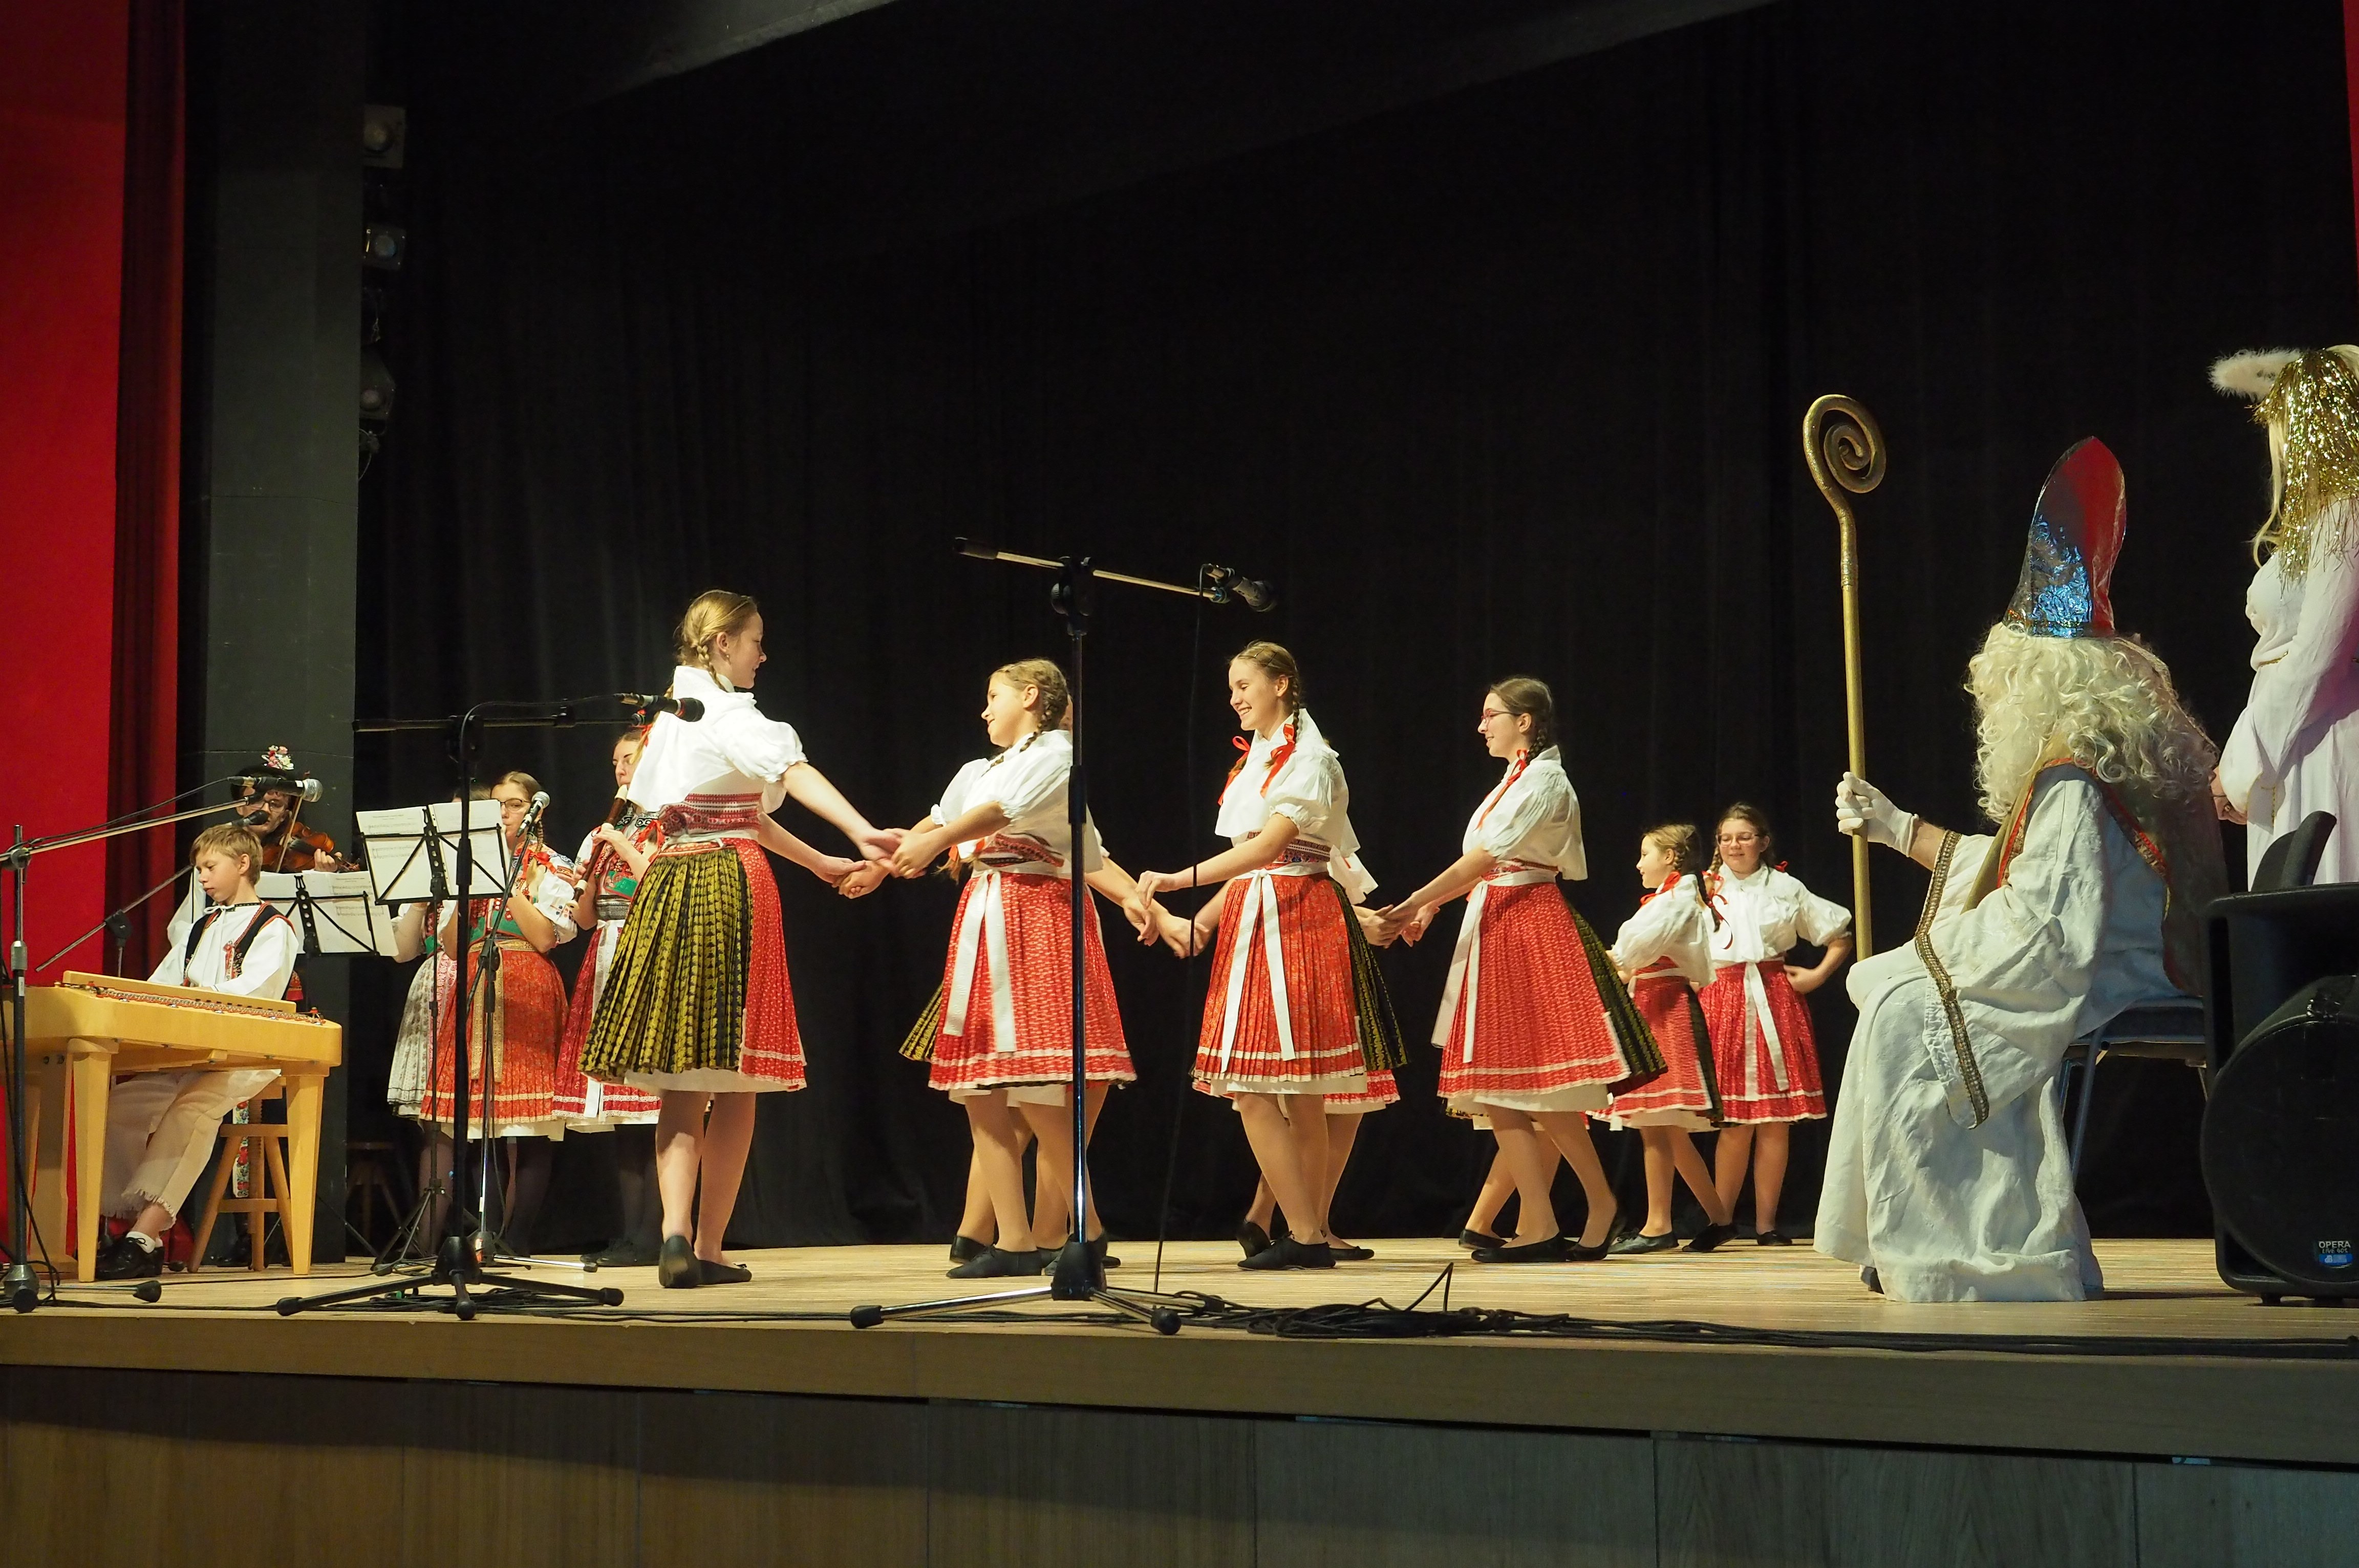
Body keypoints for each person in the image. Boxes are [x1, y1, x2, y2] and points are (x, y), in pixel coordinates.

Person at [1818, 437, 2226, 1302]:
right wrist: (1897, 828)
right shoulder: (2117, 748)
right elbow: (2027, 871)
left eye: (1999, 687)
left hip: (2119, 966)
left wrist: (1942, 956)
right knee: (1895, 988)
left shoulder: (2074, 767)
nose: (1992, 706)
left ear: (2036, 681)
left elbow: (2049, 920)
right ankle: (1903, 1231)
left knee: (1903, 1007)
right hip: (2145, 952)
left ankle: (1960, 1245)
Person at [580, 590, 890, 1288]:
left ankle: (674, 1235)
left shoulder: (669, 717)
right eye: (754, 640)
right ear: (722, 642)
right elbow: (790, 773)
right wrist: (860, 830)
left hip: (670, 880)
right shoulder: (722, 711)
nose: (762, 654)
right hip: (728, 882)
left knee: (682, 1077)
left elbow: (735, 809)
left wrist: (820, 861)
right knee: (738, 1077)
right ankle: (711, 1245)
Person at [859, 659, 1143, 1279]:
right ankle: (1019, 1237)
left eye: (995, 696)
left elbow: (1005, 819)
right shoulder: (981, 769)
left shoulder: (1057, 756)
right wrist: (881, 864)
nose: (985, 710)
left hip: (1033, 917)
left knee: (1035, 1087)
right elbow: (939, 821)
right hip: (988, 917)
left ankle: (1066, 1228)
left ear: (1032, 697)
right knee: (980, 1086)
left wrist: (1138, 901)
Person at [1131, 642, 1406, 1271]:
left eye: (1244, 685)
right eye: (1230, 687)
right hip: (1262, 914)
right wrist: (1203, 921)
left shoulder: (1311, 758)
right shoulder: (1263, 755)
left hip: (1294, 917)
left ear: (1281, 684)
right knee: (1294, 1094)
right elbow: (1254, 859)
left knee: (1265, 1089)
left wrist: (1176, 879)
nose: (1234, 698)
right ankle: (1305, 1230)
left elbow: (1271, 850)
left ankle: (1305, 1231)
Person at [1378, 678, 1655, 1262]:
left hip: (1528, 920)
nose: (1482, 727)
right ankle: (1547, 1220)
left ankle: (1593, 1206)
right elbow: (1482, 865)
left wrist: (1413, 901)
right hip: (1499, 918)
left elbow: (1485, 857)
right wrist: (1431, 907)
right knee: (1498, 1089)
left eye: (1492, 716)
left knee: (1540, 1087)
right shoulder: (1514, 780)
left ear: (1525, 721)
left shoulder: (1546, 781)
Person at [94, 824, 297, 1279]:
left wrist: (195, 1001)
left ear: (243, 864)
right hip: (189, 1052)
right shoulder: (199, 927)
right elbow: (160, 986)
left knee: (191, 1110)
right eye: (199, 868)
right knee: (117, 1108)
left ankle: (143, 1237)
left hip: (247, 1053)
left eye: (210, 866)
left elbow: (256, 993)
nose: (202, 877)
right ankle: (129, 1227)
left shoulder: (273, 927)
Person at [2208, 348, 2359, 881]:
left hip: (2324, 737)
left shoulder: (2346, 515)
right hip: (2293, 742)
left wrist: (2240, 764)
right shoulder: (2322, 521)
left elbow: (2320, 655)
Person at [417, 772, 577, 1252]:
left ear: (534, 810)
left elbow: (545, 937)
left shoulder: (550, 864)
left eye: (515, 804)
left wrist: (510, 883)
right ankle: (487, 1234)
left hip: (526, 987)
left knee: (528, 1126)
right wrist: (467, 886)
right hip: (474, 982)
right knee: (480, 1121)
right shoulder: (474, 864)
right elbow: (451, 945)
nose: (505, 813)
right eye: (499, 805)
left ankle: (517, 1238)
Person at [1701, 804, 1850, 1243]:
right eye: (1726, 838)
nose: (1734, 845)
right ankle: (1721, 1219)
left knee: (1774, 1121)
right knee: (1733, 1122)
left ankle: (1767, 1224)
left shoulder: (1785, 887)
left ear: (1763, 842)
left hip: (1774, 998)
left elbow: (1839, 934)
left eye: (1744, 836)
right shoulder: (1704, 888)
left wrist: (1817, 975)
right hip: (1723, 999)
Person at [557, 729, 667, 1268]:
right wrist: (583, 884)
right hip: (606, 950)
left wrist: (618, 845)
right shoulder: (601, 834)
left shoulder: (668, 822)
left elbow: (660, 887)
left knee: (657, 1107)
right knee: (624, 1113)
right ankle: (631, 1233)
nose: (620, 769)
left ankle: (659, 1233)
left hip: (649, 951)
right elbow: (582, 921)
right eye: (616, 762)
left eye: (629, 759)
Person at [1605, 824, 1736, 1254]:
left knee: (1655, 1121)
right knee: (1667, 1129)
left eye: (1646, 854)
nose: (1639, 863)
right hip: (1651, 998)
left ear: (1670, 857)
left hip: (1664, 1004)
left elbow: (1633, 951)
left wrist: (1606, 959)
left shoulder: (1677, 899)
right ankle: (1720, 1219)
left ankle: (1658, 1224)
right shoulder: (1670, 898)